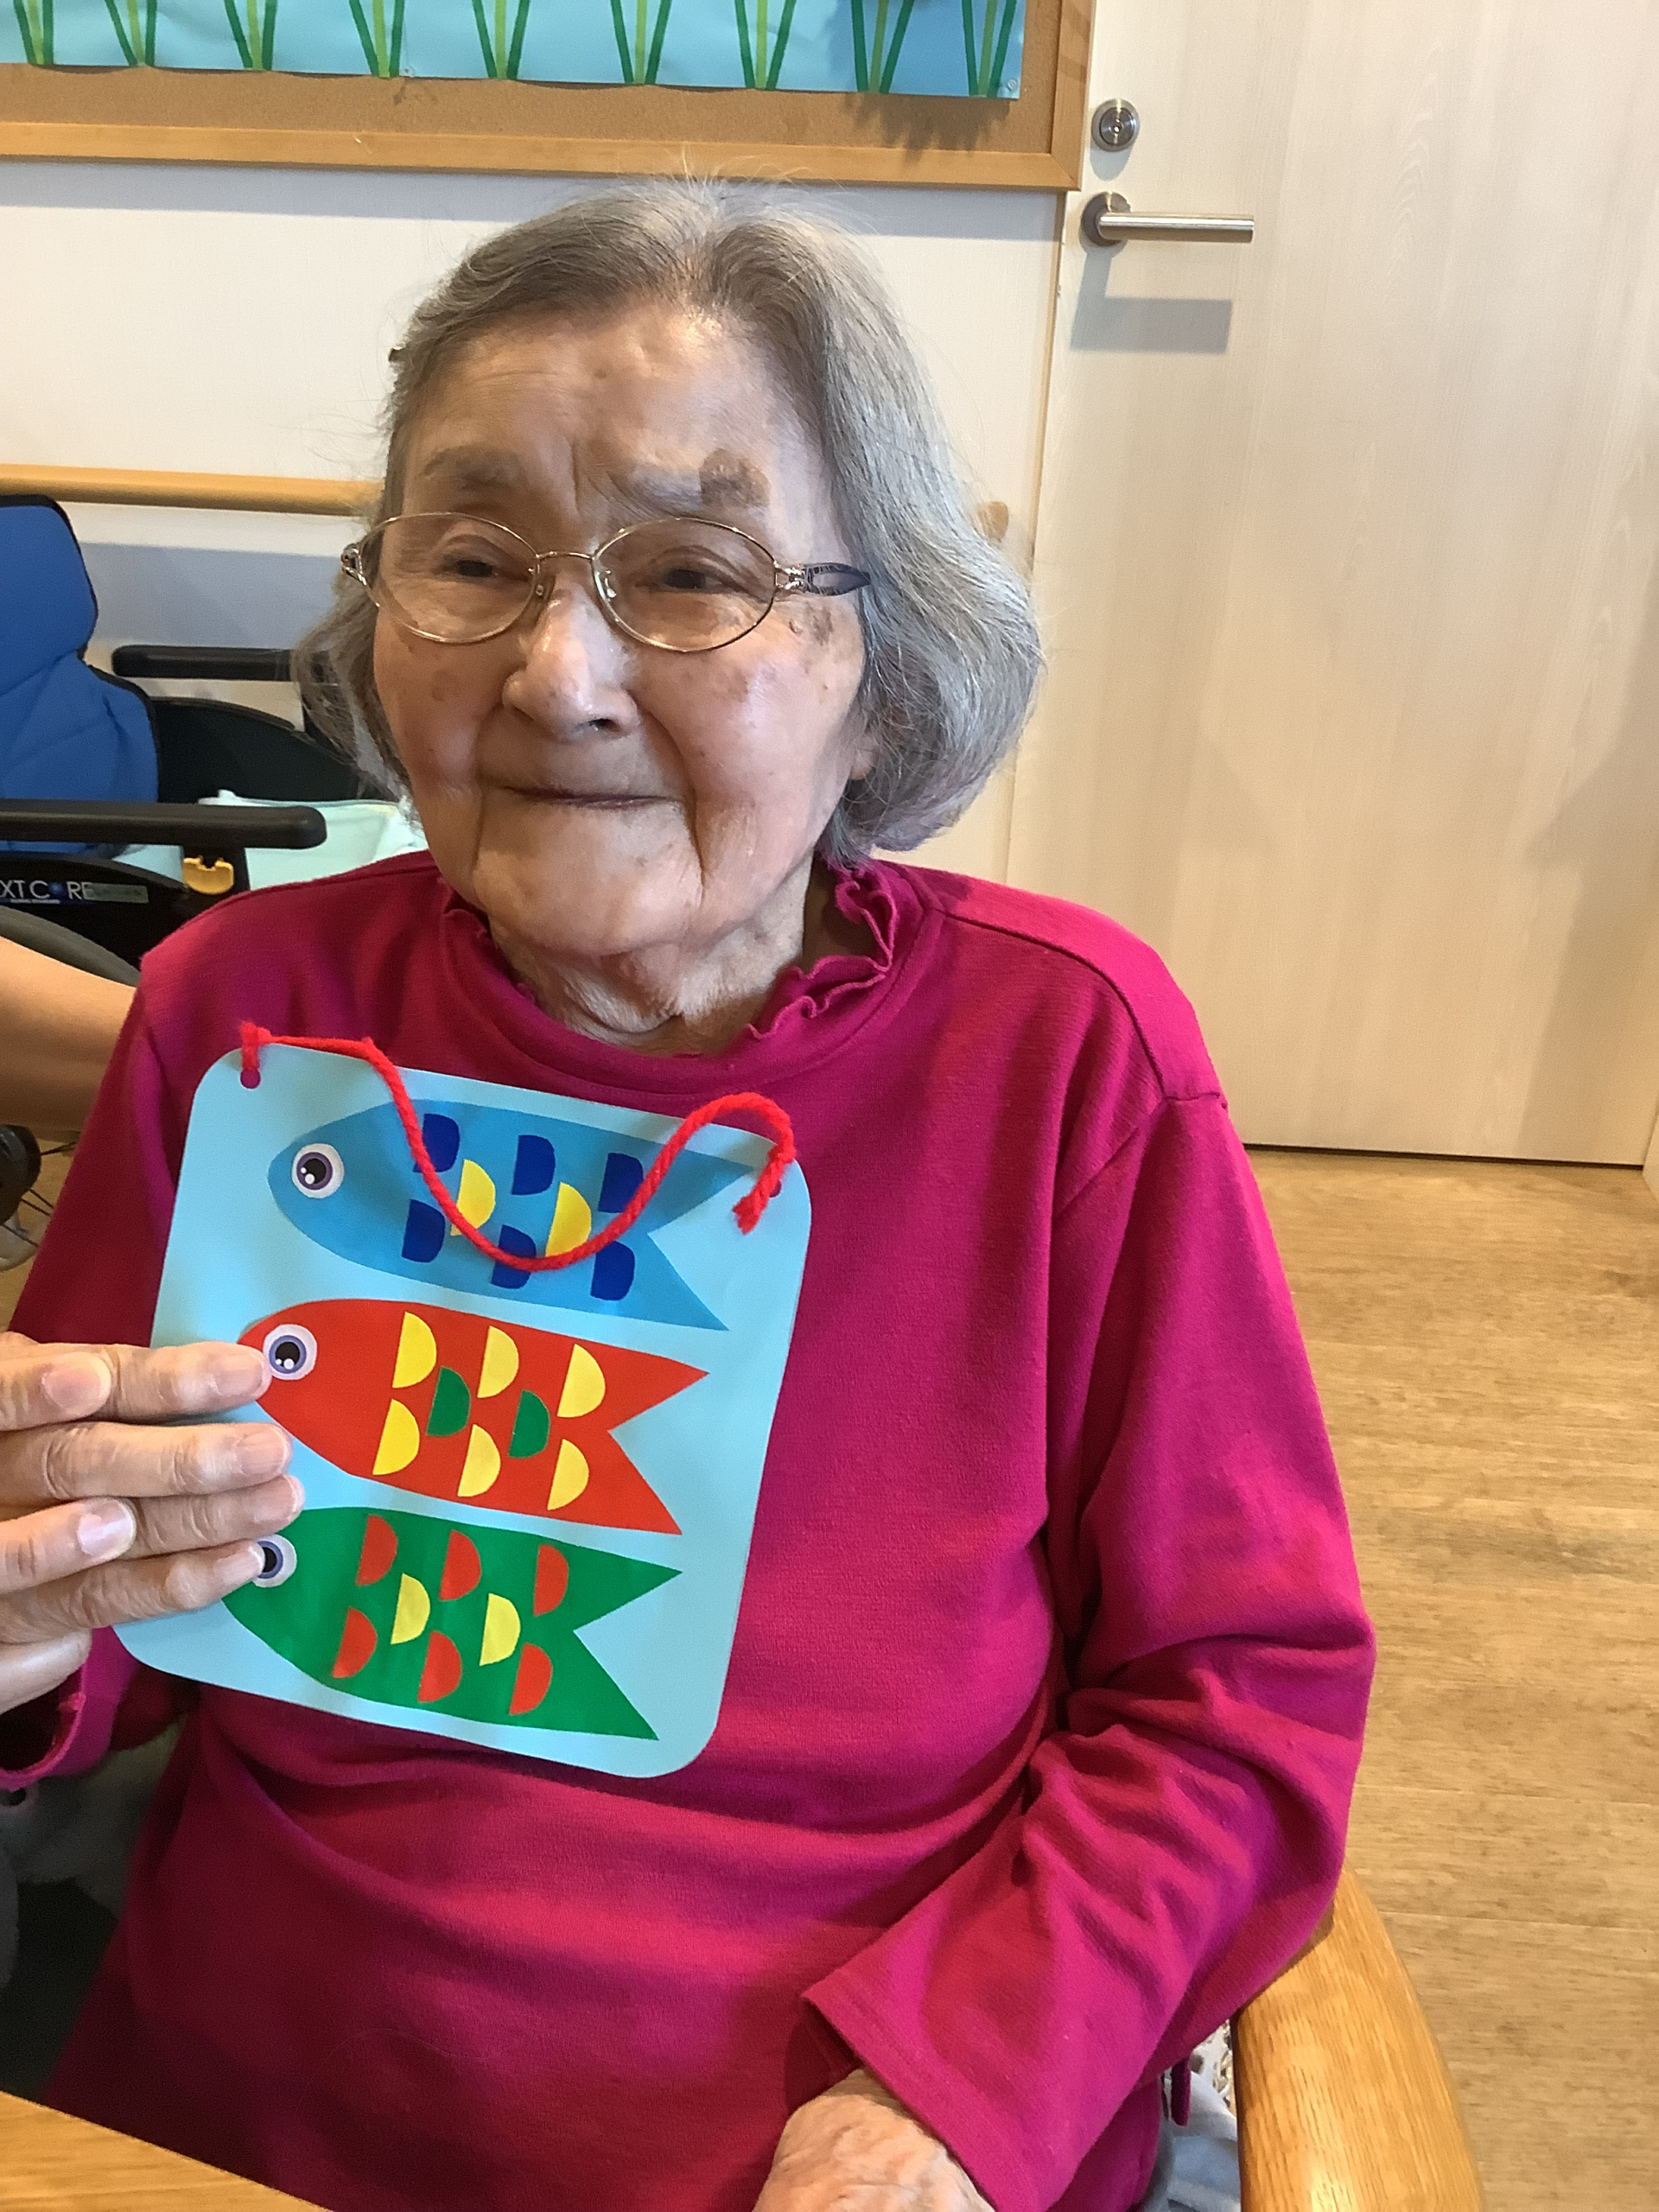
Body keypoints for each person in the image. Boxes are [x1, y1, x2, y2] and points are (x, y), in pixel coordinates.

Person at [0, 188, 1372, 2212]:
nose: (558, 673)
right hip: (243, 2125)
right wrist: (30, 1613)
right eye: (477, 560)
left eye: (692, 575)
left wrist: (942, 2101)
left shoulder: (1065, 1060)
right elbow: (102, 1606)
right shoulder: (245, 1013)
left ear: (881, 668)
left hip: (850, 2138)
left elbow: (1235, 1700)